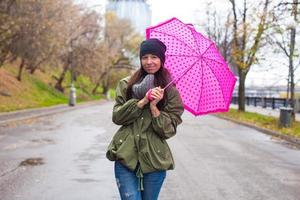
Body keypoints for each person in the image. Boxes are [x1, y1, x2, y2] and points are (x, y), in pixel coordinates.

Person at [106, 38, 184, 200]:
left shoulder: (171, 91)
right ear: (140, 59)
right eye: (145, 57)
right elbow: (117, 117)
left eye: (154, 57)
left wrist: (155, 107)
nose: (149, 62)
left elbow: (168, 131)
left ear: (162, 60)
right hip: (125, 155)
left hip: (155, 158)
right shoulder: (126, 84)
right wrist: (142, 102)